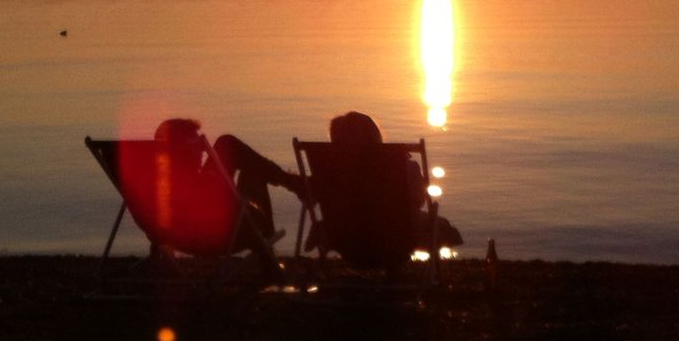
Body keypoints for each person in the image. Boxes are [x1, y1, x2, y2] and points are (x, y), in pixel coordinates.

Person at [310, 111, 462, 258]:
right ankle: (404, 270)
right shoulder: (402, 166)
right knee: (440, 225)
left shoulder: (331, 172)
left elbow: (320, 195)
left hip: (348, 239)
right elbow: (418, 200)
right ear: (374, 135)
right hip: (395, 239)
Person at [152, 118, 303, 254]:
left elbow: (157, 225)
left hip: (191, 233)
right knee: (227, 143)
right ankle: (293, 183)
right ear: (180, 148)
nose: (203, 149)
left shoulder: (157, 186)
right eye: (196, 141)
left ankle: (293, 183)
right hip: (220, 233)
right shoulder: (188, 189)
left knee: (252, 170)